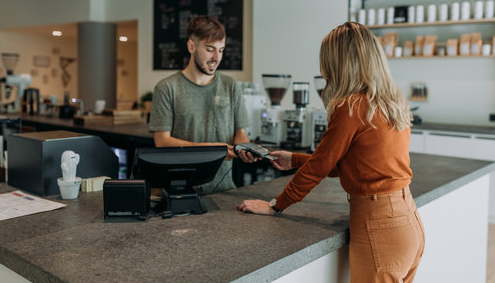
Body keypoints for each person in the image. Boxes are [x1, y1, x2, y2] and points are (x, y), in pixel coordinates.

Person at [237, 22, 425, 282]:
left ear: (338, 64)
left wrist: (275, 206)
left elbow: (319, 168)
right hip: (408, 220)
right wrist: (294, 159)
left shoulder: (351, 106)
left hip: (379, 223)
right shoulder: (388, 102)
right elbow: (348, 164)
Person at [149, 15, 255, 195]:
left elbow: (240, 133)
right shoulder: (167, 88)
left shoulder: (231, 86)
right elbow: (162, 141)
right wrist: (212, 150)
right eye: (210, 49)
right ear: (192, 46)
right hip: (180, 191)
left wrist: (246, 148)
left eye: (221, 50)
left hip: (224, 190)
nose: (216, 57)